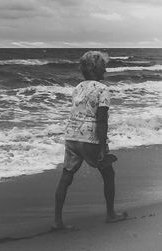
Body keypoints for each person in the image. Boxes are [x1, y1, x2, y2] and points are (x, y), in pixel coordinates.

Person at [53, 51, 127, 230]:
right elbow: (102, 120)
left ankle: (57, 222)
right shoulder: (103, 89)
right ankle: (111, 214)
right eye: (103, 66)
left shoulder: (77, 87)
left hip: (71, 136)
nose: (106, 70)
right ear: (95, 68)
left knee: (66, 176)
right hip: (90, 138)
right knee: (108, 174)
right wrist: (102, 147)